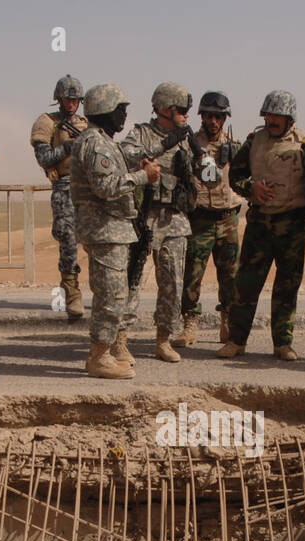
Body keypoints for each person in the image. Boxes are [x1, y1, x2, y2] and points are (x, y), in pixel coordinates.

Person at [217, 90, 305, 362]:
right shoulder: (254, 141)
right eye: (269, 115)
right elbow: (236, 176)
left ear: (289, 118)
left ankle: (283, 344)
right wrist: (251, 189)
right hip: (260, 225)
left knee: (287, 287)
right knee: (246, 284)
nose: (272, 120)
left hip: (293, 226)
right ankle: (237, 341)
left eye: (278, 116)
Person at [70, 84, 161, 379]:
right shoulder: (95, 142)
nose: (124, 115)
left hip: (114, 228)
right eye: (120, 109)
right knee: (109, 296)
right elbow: (106, 186)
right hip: (104, 228)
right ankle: (99, 357)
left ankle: (104, 352)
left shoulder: (104, 141)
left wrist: (137, 166)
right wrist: (143, 177)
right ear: (104, 111)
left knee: (116, 294)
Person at [119, 83, 198, 363]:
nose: (187, 115)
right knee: (132, 281)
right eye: (182, 110)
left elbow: (203, 174)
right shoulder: (141, 133)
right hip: (144, 216)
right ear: (166, 109)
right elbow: (125, 153)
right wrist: (164, 143)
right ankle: (120, 341)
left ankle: (163, 340)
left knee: (173, 283)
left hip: (174, 218)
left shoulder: (187, 139)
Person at [179, 91, 243, 347]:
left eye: (218, 116)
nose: (213, 121)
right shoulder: (190, 144)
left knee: (230, 275)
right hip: (201, 218)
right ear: (202, 117)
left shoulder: (235, 145)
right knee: (192, 274)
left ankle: (227, 320)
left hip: (228, 218)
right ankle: (189, 323)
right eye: (208, 116)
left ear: (224, 118)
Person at [30, 75, 90, 321]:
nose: (71, 104)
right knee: (68, 238)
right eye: (67, 99)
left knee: (95, 239)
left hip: (88, 187)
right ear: (59, 99)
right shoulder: (47, 123)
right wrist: (66, 148)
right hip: (64, 185)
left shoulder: (86, 123)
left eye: (75, 100)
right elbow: (44, 158)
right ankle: (72, 290)